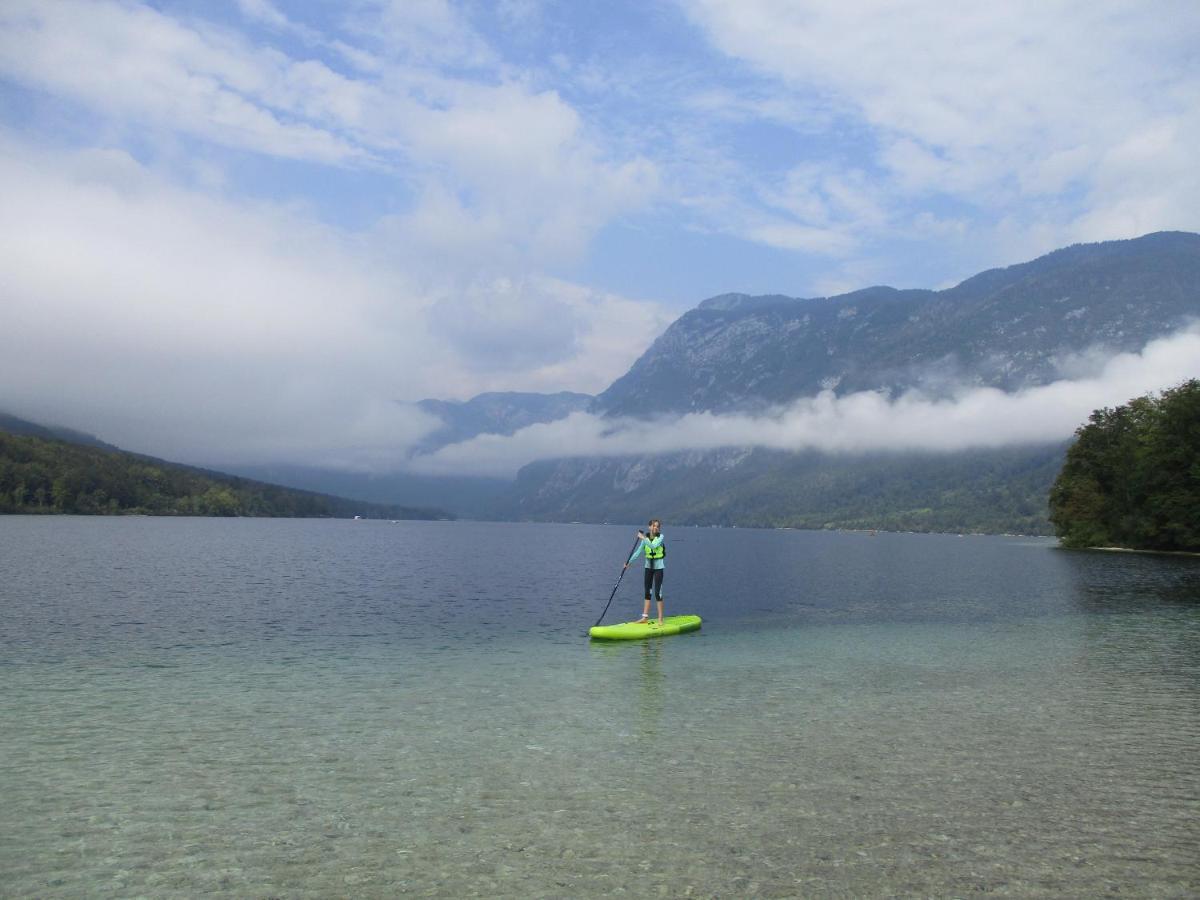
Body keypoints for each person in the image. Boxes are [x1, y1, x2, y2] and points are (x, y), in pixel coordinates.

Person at [624, 519, 665, 626]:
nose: (656, 528)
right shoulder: (645, 539)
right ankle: (645, 617)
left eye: (657, 526)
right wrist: (629, 562)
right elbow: (638, 552)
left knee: (658, 593)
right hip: (648, 568)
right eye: (654, 526)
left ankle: (660, 618)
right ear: (649, 527)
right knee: (647, 592)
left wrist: (643, 537)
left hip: (658, 568)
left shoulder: (660, 537)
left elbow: (654, 546)